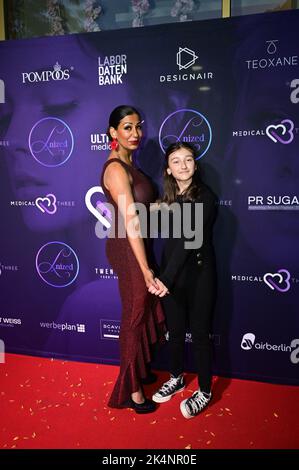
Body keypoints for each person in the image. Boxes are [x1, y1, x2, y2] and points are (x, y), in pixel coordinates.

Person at [101, 105, 168, 414]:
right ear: (113, 132)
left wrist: (168, 208)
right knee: (135, 313)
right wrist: (144, 269)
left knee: (144, 307)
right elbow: (130, 220)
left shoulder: (131, 164)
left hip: (136, 245)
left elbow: (140, 209)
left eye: (138, 126)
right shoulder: (115, 168)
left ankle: (138, 368)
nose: (136, 133)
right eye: (127, 127)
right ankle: (131, 391)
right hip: (127, 248)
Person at [150, 142, 217, 419]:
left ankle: (204, 390)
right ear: (168, 169)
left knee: (200, 335)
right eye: (176, 161)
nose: (183, 165)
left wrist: (164, 278)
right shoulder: (166, 199)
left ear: (195, 165)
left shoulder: (206, 197)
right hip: (172, 277)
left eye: (188, 160)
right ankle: (176, 378)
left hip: (200, 276)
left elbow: (190, 241)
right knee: (175, 333)